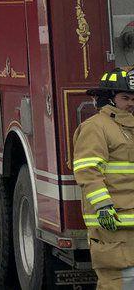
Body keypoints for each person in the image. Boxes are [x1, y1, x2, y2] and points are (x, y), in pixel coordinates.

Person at [74, 69, 134, 289]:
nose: (130, 103)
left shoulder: (128, 128)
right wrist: (103, 206)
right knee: (118, 283)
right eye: (125, 98)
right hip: (112, 224)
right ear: (109, 98)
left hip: (130, 225)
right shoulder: (96, 127)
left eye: (133, 99)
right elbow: (87, 170)